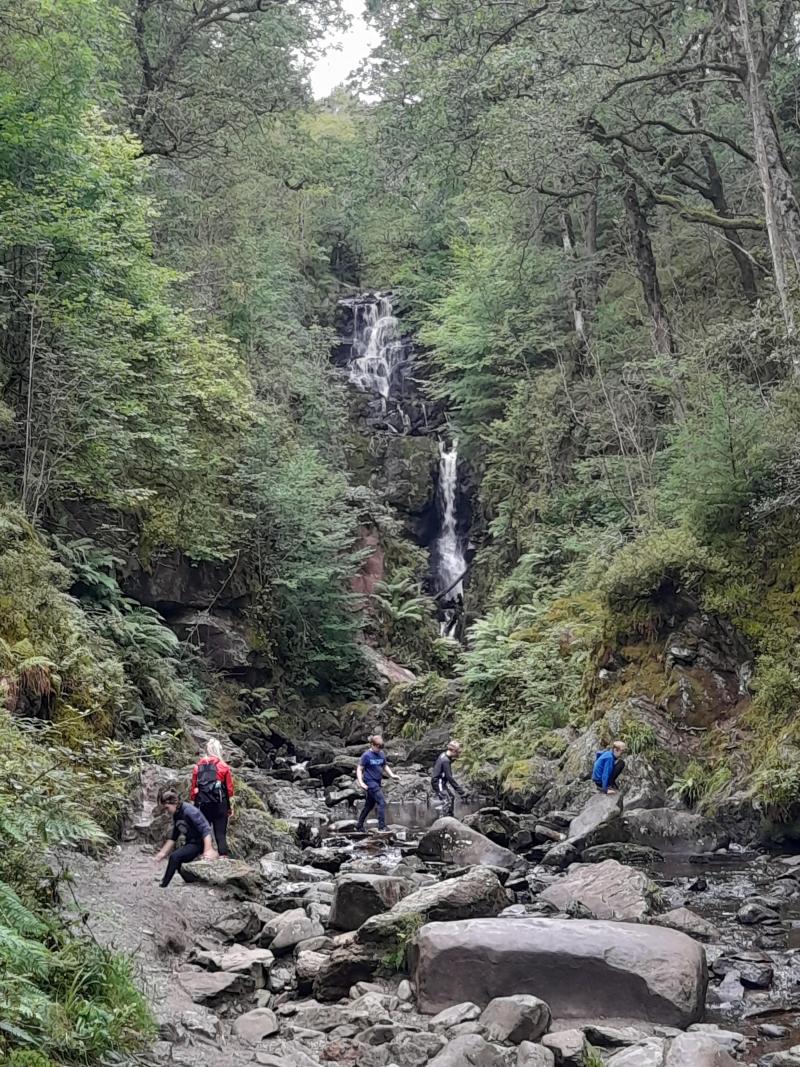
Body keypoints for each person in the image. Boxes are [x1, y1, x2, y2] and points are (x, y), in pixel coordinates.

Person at [153, 788, 217, 887]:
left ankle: (163, 885)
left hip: (200, 843)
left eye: (166, 808)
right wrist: (162, 853)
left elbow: (205, 829)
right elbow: (174, 837)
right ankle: (190, 881)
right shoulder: (177, 814)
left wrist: (207, 850)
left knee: (174, 857)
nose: (166, 812)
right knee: (178, 860)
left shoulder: (189, 811)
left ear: (174, 803)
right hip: (190, 842)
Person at [191, 738, 235, 858]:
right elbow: (229, 790)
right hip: (220, 804)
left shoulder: (197, 767)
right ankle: (223, 859)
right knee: (220, 834)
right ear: (218, 750)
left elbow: (194, 790)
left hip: (203, 804)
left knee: (204, 833)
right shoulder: (224, 766)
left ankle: (203, 858)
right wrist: (230, 807)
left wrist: (195, 805)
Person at [355, 734, 400, 832]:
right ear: (372, 745)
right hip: (370, 782)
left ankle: (359, 825)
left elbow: (384, 766)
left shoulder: (382, 754)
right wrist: (361, 783)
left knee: (369, 805)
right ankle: (382, 826)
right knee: (382, 802)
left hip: (377, 782)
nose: (379, 749)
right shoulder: (366, 755)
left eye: (381, 748)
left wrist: (392, 775)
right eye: (378, 747)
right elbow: (359, 769)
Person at [431, 740, 467, 816]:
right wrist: (461, 792)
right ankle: (444, 819)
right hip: (438, 783)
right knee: (447, 801)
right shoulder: (445, 761)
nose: (459, 754)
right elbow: (449, 778)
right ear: (453, 751)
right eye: (458, 752)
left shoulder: (443, 755)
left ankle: (450, 816)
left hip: (440, 782)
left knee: (451, 797)